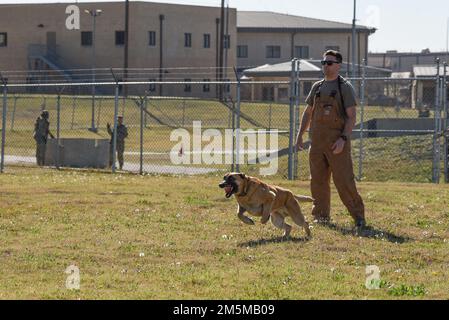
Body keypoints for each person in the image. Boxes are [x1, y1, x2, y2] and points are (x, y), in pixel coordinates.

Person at [295, 50, 366, 230]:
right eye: (324, 62)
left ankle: (358, 217)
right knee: (317, 182)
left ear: (338, 65)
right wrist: (300, 134)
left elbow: (351, 117)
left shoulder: (344, 88)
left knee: (344, 181)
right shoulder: (317, 87)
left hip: (337, 143)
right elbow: (308, 112)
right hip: (317, 143)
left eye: (330, 63)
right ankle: (321, 216)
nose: (326, 66)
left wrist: (343, 139)